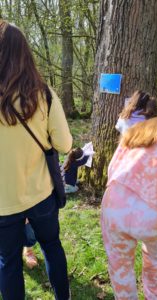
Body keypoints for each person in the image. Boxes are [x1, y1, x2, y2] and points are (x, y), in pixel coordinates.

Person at [0, 20, 72, 300]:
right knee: (52, 246)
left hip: (3, 203)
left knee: (8, 262)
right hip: (41, 194)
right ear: (25, 54)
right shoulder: (43, 94)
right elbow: (64, 144)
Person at [101, 116, 157, 299]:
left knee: (120, 267)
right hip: (155, 216)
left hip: (114, 206)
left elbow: (112, 169)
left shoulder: (135, 133)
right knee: (154, 253)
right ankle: (153, 296)